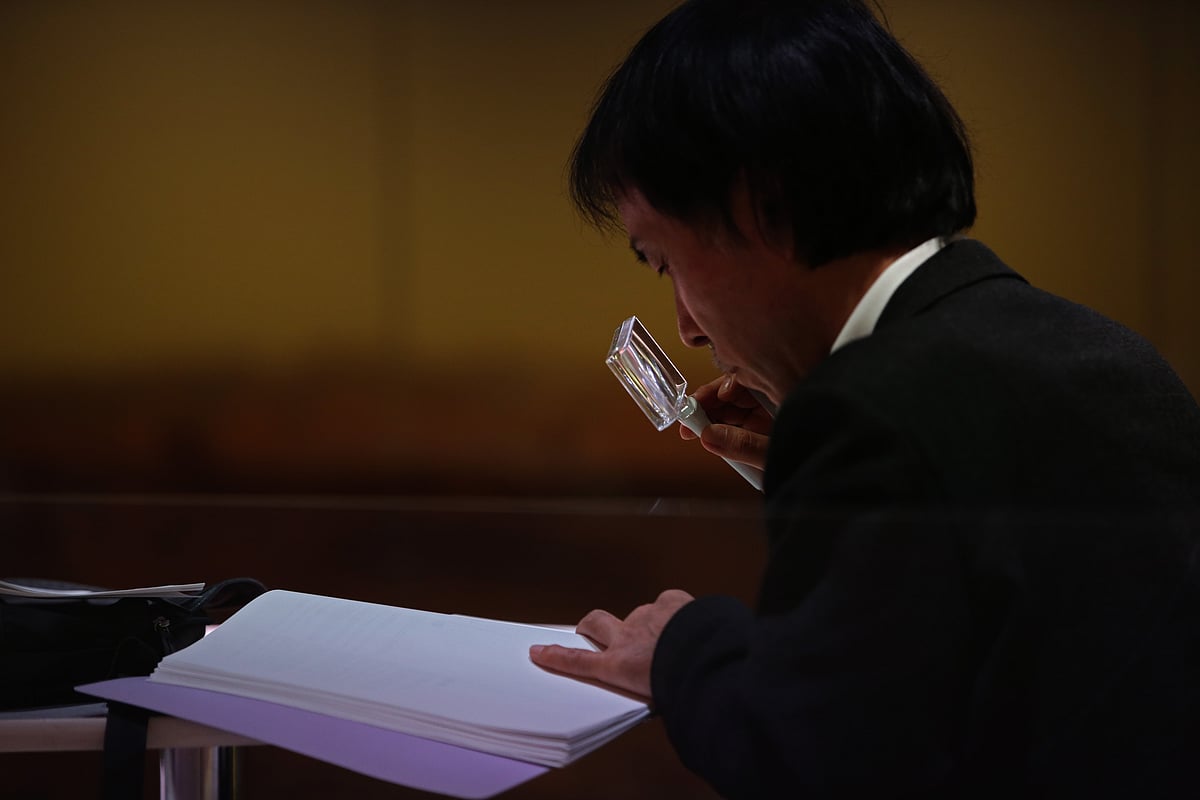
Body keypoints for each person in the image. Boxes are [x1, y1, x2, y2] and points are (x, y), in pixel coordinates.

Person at [530, 1, 1200, 797]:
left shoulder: (875, 409)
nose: (686, 326)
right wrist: (826, 475)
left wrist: (683, 648)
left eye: (663, 259)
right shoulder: (1107, 352)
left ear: (757, 200)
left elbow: (822, 760)